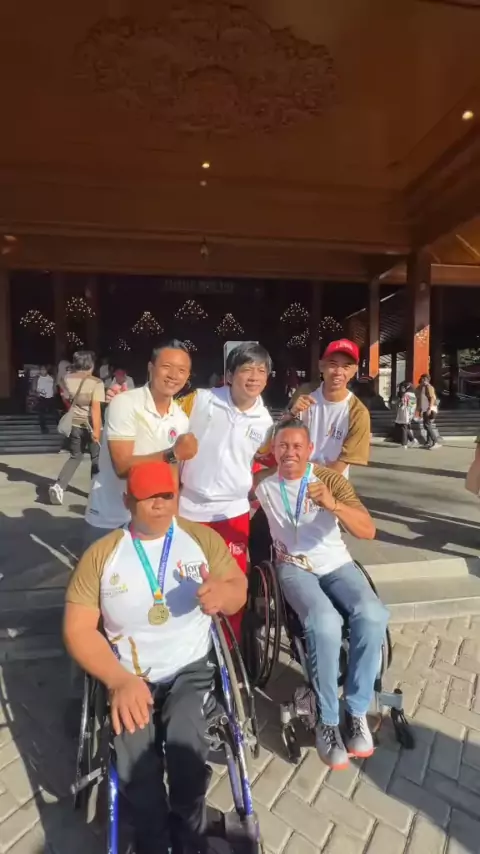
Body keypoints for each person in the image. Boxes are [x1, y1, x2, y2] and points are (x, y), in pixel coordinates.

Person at [64, 460, 247, 854]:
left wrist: (224, 594)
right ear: (128, 501)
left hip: (191, 671)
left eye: (167, 495)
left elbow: (237, 586)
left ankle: (188, 835)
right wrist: (118, 680)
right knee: (137, 763)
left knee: (186, 741)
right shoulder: (102, 555)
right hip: (130, 676)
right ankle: (153, 839)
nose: (160, 503)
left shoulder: (201, 539)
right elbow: (78, 629)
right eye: (149, 497)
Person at [253, 419, 386, 770]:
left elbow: (368, 530)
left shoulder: (329, 479)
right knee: (324, 622)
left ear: (310, 449)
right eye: (283, 446)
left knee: (373, 614)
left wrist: (332, 504)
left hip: (337, 564)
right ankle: (327, 720)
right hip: (293, 567)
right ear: (273, 450)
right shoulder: (263, 483)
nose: (290, 453)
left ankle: (356, 711)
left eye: (297, 446)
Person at [178, 343, 274, 640]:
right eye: (246, 370)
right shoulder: (200, 400)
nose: (254, 377)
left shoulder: (266, 423)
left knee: (232, 584)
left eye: (261, 371)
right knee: (185, 582)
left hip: (232, 513)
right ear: (229, 375)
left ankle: (231, 646)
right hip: (189, 509)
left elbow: (265, 461)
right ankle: (191, 644)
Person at [84, 340, 197, 548]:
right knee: (99, 569)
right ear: (151, 368)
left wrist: (173, 515)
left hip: (152, 520)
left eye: (182, 370)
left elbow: (172, 472)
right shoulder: (125, 403)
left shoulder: (180, 418)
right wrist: (172, 453)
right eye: (167, 367)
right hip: (112, 515)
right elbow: (122, 467)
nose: (174, 375)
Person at [288, 339, 370, 477]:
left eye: (346, 366)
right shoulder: (304, 394)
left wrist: (311, 480)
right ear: (321, 366)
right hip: (294, 478)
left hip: (331, 484)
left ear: (354, 370)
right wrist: (292, 413)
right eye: (333, 364)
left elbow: (344, 460)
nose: (338, 372)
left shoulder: (358, 413)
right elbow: (280, 435)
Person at [49, 351, 105, 506]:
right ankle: (95, 492)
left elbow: (66, 399)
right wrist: (97, 430)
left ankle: (59, 486)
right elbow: (95, 409)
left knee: (75, 456)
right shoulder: (96, 382)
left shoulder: (66, 379)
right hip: (91, 425)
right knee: (96, 458)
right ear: (90, 364)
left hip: (74, 424)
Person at [416, 373, 440, 450]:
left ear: (427, 379)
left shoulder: (429, 387)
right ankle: (428, 442)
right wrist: (420, 410)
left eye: (424, 379)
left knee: (427, 425)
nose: (422, 380)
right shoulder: (422, 388)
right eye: (422, 378)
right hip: (425, 409)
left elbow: (432, 397)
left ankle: (435, 441)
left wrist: (429, 408)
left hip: (430, 409)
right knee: (426, 425)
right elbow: (421, 400)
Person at [395, 381, 418, 448]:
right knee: (405, 426)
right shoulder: (413, 395)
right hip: (411, 412)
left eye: (403, 387)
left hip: (405, 412)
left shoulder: (406, 394)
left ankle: (404, 443)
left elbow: (403, 404)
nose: (403, 389)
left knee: (404, 427)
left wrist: (398, 404)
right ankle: (412, 440)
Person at [35, 365, 55, 434]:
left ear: (46, 370)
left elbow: (54, 387)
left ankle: (61, 425)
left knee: (54, 412)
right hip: (42, 397)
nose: (43, 371)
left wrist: (54, 393)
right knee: (41, 413)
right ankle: (43, 428)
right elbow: (34, 388)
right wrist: (37, 392)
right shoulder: (37, 378)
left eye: (44, 369)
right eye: (41, 369)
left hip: (50, 397)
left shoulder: (51, 378)